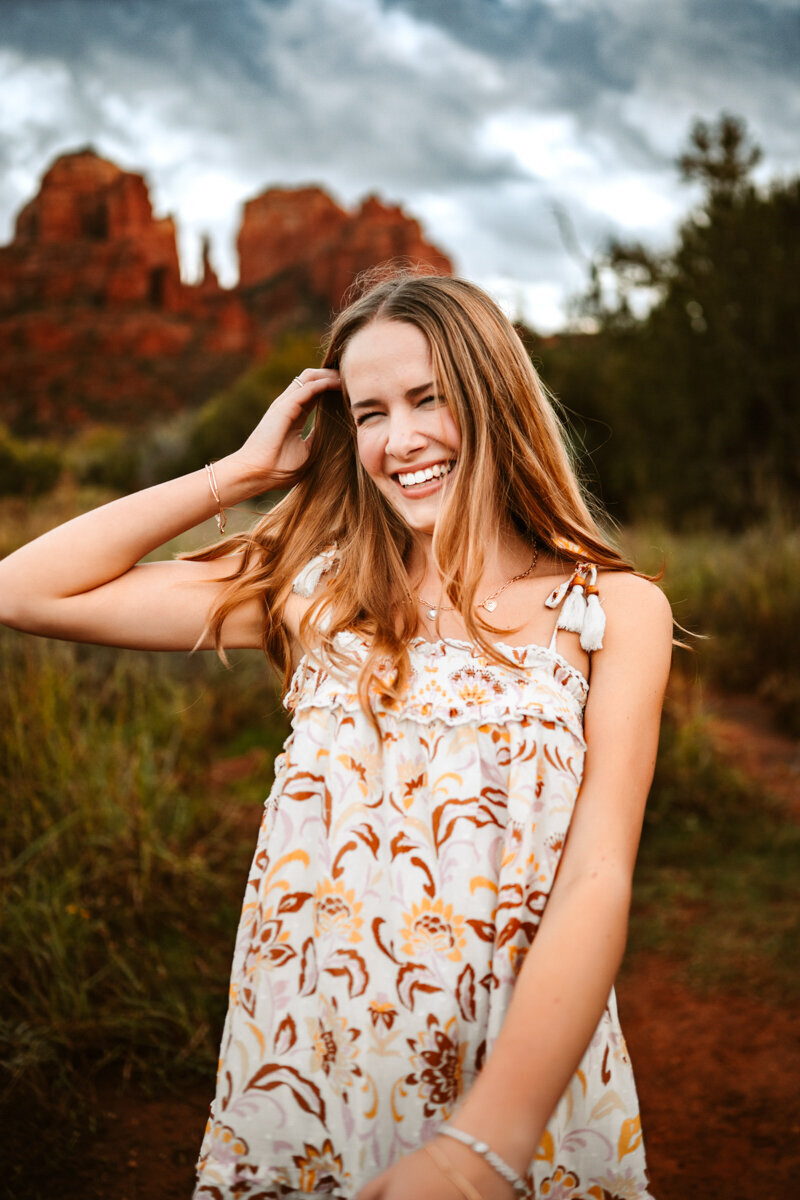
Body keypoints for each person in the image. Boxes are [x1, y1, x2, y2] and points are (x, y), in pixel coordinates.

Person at [0, 272, 673, 1200]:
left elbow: (599, 878)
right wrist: (235, 476)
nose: (402, 440)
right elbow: (21, 590)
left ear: (493, 395)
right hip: (312, 1058)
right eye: (369, 413)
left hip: (515, 1070)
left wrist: (483, 1150)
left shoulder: (609, 613)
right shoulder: (318, 592)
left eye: (429, 398)